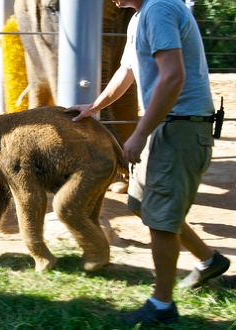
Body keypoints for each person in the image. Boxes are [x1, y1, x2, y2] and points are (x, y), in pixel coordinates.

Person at [66, 0, 230, 325]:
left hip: (180, 126)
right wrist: (94, 106)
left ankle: (162, 305)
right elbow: (127, 71)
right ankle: (209, 261)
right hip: (164, 126)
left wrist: (139, 133)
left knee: (161, 221)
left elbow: (173, 77)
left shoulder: (160, 9)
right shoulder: (139, 16)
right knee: (143, 205)